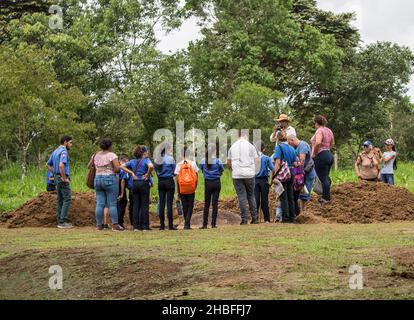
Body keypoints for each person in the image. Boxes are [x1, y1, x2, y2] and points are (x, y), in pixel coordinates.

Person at [88, 138, 124, 231]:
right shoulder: (111, 155)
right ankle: (115, 225)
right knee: (112, 203)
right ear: (110, 146)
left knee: (100, 204)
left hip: (97, 179)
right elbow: (116, 169)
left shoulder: (95, 155)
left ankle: (99, 225)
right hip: (109, 179)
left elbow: (89, 166)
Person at [227, 131, 260, 225]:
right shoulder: (251, 146)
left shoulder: (232, 146)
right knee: (251, 195)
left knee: (242, 196)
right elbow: (257, 160)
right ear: (245, 136)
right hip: (250, 174)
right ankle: (255, 218)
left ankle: (244, 219)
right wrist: (254, 170)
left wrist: (234, 168)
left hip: (237, 175)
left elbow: (228, 162)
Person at [121, 145, 154, 232]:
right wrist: (147, 174)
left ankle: (136, 226)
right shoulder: (146, 160)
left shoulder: (132, 161)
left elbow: (122, 166)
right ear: (143, 153)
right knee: (144, 205)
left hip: (134, 184)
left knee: (136, 205)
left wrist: (132, 173)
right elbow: (151, 166)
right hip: (143, 183)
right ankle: (145, 226)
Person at [46, 135, 74, 229]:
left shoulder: (55, 151)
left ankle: (59, 221)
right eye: (70, 142)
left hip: (57, 178)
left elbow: (48, 164)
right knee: (67, 198)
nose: (71, 145)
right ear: (65, 142)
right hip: (62, 178)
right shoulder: (63, 151)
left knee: (60, 199)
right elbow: (61, 165)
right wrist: (64, 177)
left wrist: (55, 174)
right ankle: (62, 222)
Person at [288, 135, 317, 215]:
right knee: (299, 194)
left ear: (292, 140)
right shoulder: (296, 147)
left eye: (289, 143)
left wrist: (299, 172)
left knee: (305, 193)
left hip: (307, 173)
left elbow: (302, 159)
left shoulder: (303, 145)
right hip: (300, 174)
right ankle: (300, 213)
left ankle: (304, 213)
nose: (289, 145)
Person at [273, 131, 298, 223]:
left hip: (282, 173)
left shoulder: (278, 147)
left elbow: (278, 162)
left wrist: (274, 175)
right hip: (291, 172)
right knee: (290, 195)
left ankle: (286, 218)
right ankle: (292, 216)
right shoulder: (291, 148)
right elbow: (295, 163)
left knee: (283, 196)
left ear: (278, 138)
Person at [311, 115, 335, 205]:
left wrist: (315, 153)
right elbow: (332, 142)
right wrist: (327, 148)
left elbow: (318, 142)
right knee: (325, 176)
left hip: (321, 155)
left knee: (323, 177)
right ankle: (327, 193)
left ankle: (326, 198)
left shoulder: (319, 130)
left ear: (316, 123)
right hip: (329, 154)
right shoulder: (328, 130)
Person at [200, 143, 225, 229]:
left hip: (207, 183)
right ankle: (213, 224)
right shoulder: (218, 161)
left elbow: (201, 169)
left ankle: (204, 224)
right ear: (214, 151)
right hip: (216, 182)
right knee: (215, 204)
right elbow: (222, 170)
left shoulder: (203, 160)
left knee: (206, 204)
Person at [175, 146, 199, 230]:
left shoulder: (179, 164)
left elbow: (177, 179)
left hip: (182, 188)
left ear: (181, 154)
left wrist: (178, 190)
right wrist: (195, 187)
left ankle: (186, 223)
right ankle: (187, 223)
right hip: (191, 187)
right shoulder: (193, 163)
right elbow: (196, 176)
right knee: (190, 205)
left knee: (184, 205)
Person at [154, 143, 177, 231]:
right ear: (167, 150)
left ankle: (162, 225)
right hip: (169, 181)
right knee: (169, 204)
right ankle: (170, 225)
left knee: (162, 204)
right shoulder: (170, 159)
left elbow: (156, 170)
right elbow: (174, 171)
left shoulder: (156, 160)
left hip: (161, 181)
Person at [254, 141, 274, 224]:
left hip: (255, 180)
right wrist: (271, 181)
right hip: (264, 180)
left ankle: (255, 218)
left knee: (256, 200)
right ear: (264, 149)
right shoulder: (266, 158)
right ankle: (266, 219)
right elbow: (273, 169)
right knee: (265, 200)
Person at [117, 154, 129, 229]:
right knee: (122, 204)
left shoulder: (116, 168)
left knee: (117, 205)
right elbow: (123, 181)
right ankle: (120, 223)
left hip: (114, 188)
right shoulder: (123, 169)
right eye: (126, 161)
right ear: (121, 161)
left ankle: (117, 222)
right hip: (121, 188)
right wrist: (122, 193)